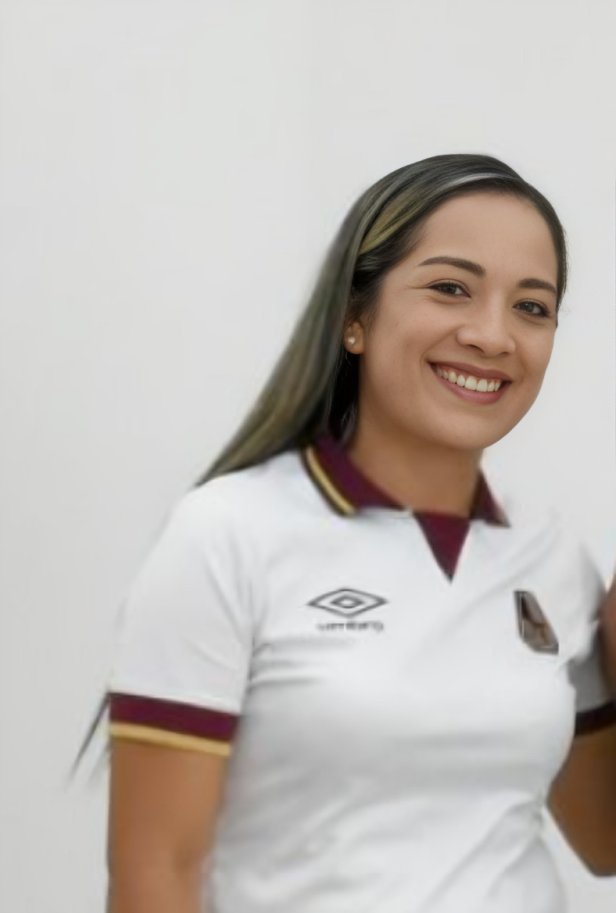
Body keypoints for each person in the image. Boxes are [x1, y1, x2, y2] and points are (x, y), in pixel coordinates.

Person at [85, 154, 616, 913]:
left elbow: (605, 840)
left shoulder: (554, 558)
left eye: (532, 306)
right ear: (354, 318)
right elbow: (155, 875)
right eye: (450, 288)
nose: (493, 334)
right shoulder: (227, 534)